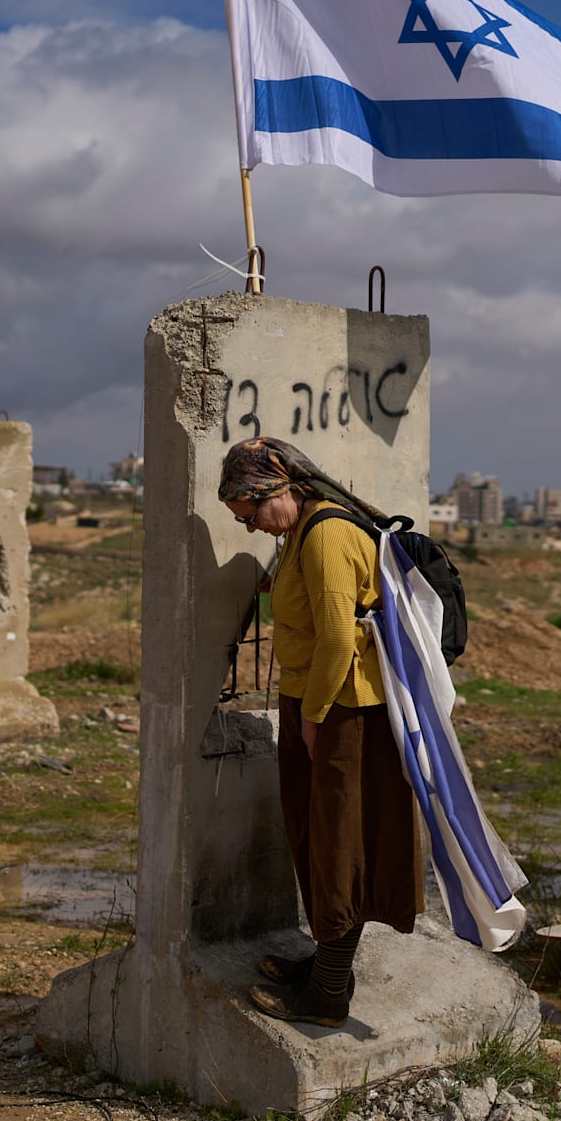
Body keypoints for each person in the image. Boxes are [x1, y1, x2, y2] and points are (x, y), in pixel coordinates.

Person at [218, 436, 423, 1028]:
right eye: (243, 520)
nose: (253, 527)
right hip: (319, 704)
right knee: (319, 838)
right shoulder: (300, 533)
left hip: (344, 711)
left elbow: (337, 639)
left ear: (279, 489)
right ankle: (327, 964)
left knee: (340, 845)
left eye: (252, 513)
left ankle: (328, 995)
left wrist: (313, 720)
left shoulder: (327, 534)